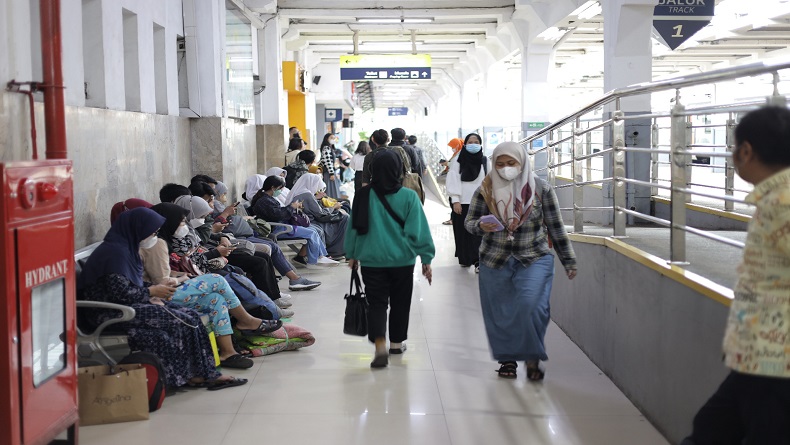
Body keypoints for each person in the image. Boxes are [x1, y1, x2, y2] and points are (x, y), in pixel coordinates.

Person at [681, 107, 790, 445]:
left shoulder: (781, 202)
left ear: (746, 151)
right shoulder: (774, 197)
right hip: (760, 356)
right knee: (711, 428)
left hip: (777, 359)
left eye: (735, 149)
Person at [78, 207, 247, 390]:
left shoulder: (126, 248)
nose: (153, 236)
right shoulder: (115, 254)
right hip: (109, 312)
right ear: (138, 229)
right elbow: (119, 294)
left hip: (127, 305)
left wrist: (151, 293)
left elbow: (129, 288)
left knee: (191, 316)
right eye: (151, 232)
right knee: (182, 320)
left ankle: (203, 373)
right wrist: (152, 292)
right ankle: (191, 375)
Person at [465, 141, 577, 381]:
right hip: (495, 258)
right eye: (500, 164)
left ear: (522, 162)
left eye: (511, 163)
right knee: (501, 312)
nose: (506, 168)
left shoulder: (541, 189)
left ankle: (532, 355)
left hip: (534, 256)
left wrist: (568, 260)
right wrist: (480, 225)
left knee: (531, 306)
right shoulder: (486, 190)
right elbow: (469, 222)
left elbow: (556, 227)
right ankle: (508, 359)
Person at [135, 204, 281, 369]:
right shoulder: (155, 244)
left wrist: (179, 276)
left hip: (161, 289)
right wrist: (179, 278)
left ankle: (228, 352)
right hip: (158, 296)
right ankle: (246, 320)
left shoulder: (154, 241)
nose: (185, 225)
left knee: (215, 299)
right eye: (182, 221)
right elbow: (160, 280)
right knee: (216, 280)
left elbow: (163, 271)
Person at [346, 150, 435, 368]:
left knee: (376, 304)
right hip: (402, 261)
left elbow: (353, 228)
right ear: (398, 170)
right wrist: (426, 258)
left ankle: (379, 346)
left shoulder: (363, 195)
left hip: (371, 260)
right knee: (400, 303)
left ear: (373, 170)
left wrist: (351, 254)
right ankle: (396, 344)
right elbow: (419, 230)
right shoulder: (408, 196)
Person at [252, 176, 339, 269]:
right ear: (273, 187)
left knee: (313, 229)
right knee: (311, 233)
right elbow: (278, 215)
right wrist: (292, 207)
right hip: (276, 229)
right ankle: (313, 261)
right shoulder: (264, 201)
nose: (281, 191)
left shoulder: (267, 198)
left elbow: (278, 212)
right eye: (280, 188)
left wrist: (292, 208)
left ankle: (320, 256)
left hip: (281, 225)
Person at [446, 133, 489, 271]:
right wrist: (455, 200)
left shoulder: (485, 160)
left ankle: (478, 261)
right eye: (470, 142)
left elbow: (491, 180)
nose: (473, 144)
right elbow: (453, 180)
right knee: (462, 232)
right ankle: (464, 258)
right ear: (465, 144)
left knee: (479, 232)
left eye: (476, 141)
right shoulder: (458, 160)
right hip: (462, 202)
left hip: (481, 202)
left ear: (481, 143)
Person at [286, 174, 348, 258]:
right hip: (311, 221)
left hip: (303, 220)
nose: (317, 189)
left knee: (343, 217)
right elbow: (320, 214)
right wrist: (334, 207)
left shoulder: (299, 191)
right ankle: (335, 251)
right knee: (345, 218)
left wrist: (315, 198)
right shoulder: (307, 194)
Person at [319, 133, 342, 199]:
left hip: (329, 171)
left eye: (334, 138)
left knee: (331, 188)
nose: (333, 139)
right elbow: (328, 161)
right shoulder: (326, 148)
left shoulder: (329, 148)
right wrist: (331, 173)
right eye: (331, 138)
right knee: (331, 189)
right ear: (327, 139)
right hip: (328, 172)